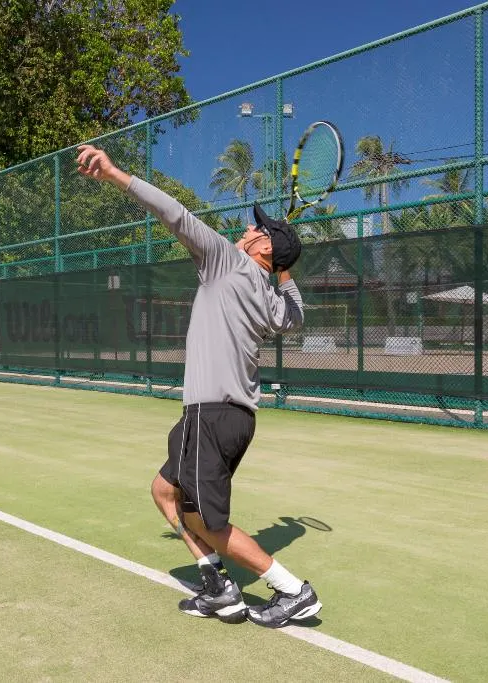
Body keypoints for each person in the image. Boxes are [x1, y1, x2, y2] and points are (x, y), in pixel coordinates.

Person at [75, 144, 321, 628]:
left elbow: (175, 214)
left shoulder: (227, 261)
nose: (246, 228)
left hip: (211, 414)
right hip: (230, 418)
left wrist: (115, 175)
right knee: (164, 491)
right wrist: (284, 267)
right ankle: (219, 587)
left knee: (206, 521)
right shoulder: (273, 302)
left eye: (256, 229)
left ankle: (293, 590)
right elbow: (296, 314)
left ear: (263, 248)